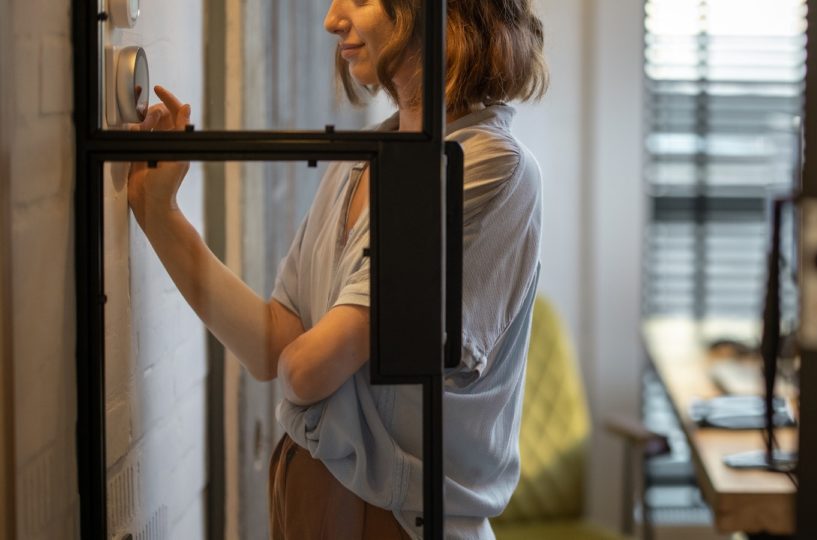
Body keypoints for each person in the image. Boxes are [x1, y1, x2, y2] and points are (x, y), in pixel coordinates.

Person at [127, 0, 547, 538]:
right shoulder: (365, 156)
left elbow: (306, 370)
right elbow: (273, 345)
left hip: (395, 521)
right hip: (315, 500)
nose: (331, 18)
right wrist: (160, 214)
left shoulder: (488, 165)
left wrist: (303, 359)